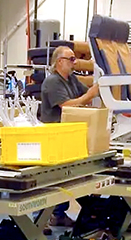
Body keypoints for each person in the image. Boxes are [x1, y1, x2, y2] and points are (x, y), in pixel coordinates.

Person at [40, 45, 100, 228]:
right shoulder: (53, 82)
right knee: (55, 179)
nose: (75, 63)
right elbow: (66, 106)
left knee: (71, 177)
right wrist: (90, 94)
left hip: (70, 135)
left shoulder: (71, 79)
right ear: (60, 62)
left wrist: (98, 87)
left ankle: (64, 214)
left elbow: (84, 95)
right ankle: (47, 217)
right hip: (55, 135)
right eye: (71, 59)